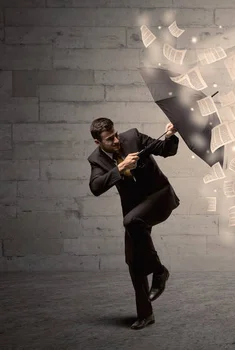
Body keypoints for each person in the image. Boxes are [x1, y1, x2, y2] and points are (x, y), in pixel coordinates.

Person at [87, 117, 180, 330]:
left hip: (159, 197)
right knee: (133, 261)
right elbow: (95, 187)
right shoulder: (96, 159)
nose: (117, 140)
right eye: (110, 139)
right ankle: (145, 314)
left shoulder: (133, 137)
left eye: (116, 134)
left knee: (129, 221)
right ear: (98, 142)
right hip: (135, 211)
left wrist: (169, 135)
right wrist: (120, 168)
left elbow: (166, 150)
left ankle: (158, 271)